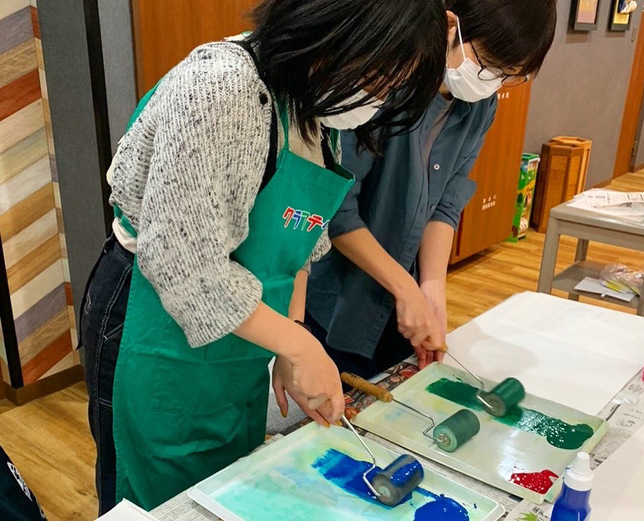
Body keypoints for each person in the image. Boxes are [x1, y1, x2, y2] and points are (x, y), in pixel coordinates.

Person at [79, 0, 448, 513]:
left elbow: (300, 243)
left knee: (226, 480)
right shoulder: (220, 88)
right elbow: (184, 266)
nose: (379, 99)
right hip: (154, 319)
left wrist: (289, 335)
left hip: (242, 333)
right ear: (334, 28)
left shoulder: (316, 103)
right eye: (379, 77)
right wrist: (299, 345)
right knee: (155, 498)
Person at [306, 0, 558, 380]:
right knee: (337, 397)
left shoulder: (480, 106)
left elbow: (447, 201)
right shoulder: (384, 84)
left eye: (510, 76)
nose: (493, 82)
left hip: (401, 300)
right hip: (341, 297)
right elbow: (336, 209)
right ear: (451, 26)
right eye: (489, 65)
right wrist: (406, 289)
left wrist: (432, 286)